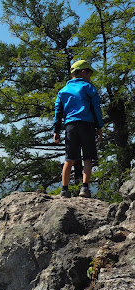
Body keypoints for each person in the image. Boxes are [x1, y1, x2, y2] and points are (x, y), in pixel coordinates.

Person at [53, 60, 104, 198]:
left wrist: (56, 131)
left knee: (69, 158)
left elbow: (58, 112)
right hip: (87, 125)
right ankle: (85, 189)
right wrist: (100, 126)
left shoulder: (62, 91)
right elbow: (96, 109)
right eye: (89, 73)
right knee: (88, 158)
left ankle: (64, 190)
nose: (90, 77)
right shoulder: (89, 88)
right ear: (83, 72)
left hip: (70, 127)